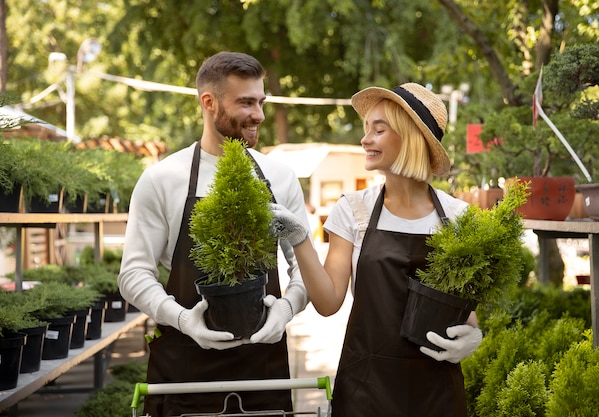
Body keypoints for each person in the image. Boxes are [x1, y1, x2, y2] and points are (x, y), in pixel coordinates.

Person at [270, 83, 483, 416]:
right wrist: (299, 238)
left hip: (435, 392)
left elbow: (462, 312)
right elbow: (327, 303)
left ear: (410, 137)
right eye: (366, 129)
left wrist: (473, 335)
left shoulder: (459, 219)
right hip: (366, 389)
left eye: (378, 130)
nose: (365, 139)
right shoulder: (354, 211)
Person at [118, 51, 309, 417]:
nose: (259, 114)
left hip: (263, 371)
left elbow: (304, 267)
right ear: (209, 102)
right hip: (184, 369)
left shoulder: (280, 178)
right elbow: (133, 275)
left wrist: (287, 308)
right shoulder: (163, 178)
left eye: (261, 101)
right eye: (246, 102)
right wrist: (182, 319)